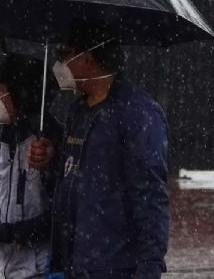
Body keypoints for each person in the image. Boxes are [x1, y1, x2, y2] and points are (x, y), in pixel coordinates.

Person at [28, 21, 170, 279]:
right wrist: (51, 161)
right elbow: (72, 180)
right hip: (74, 264)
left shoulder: (137, 114)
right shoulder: (78, 111)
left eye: (65, 54)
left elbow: (150, 196)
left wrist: (149, 267)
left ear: (88, 58)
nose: (60, 64)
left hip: (113, 267)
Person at [0, 53, 63, 279]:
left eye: (1, 90)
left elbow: (58, 217)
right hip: (12, 268)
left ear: (22, 94)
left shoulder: (50, 141)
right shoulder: (5, 136)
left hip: (44, 268)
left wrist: (1, 234)